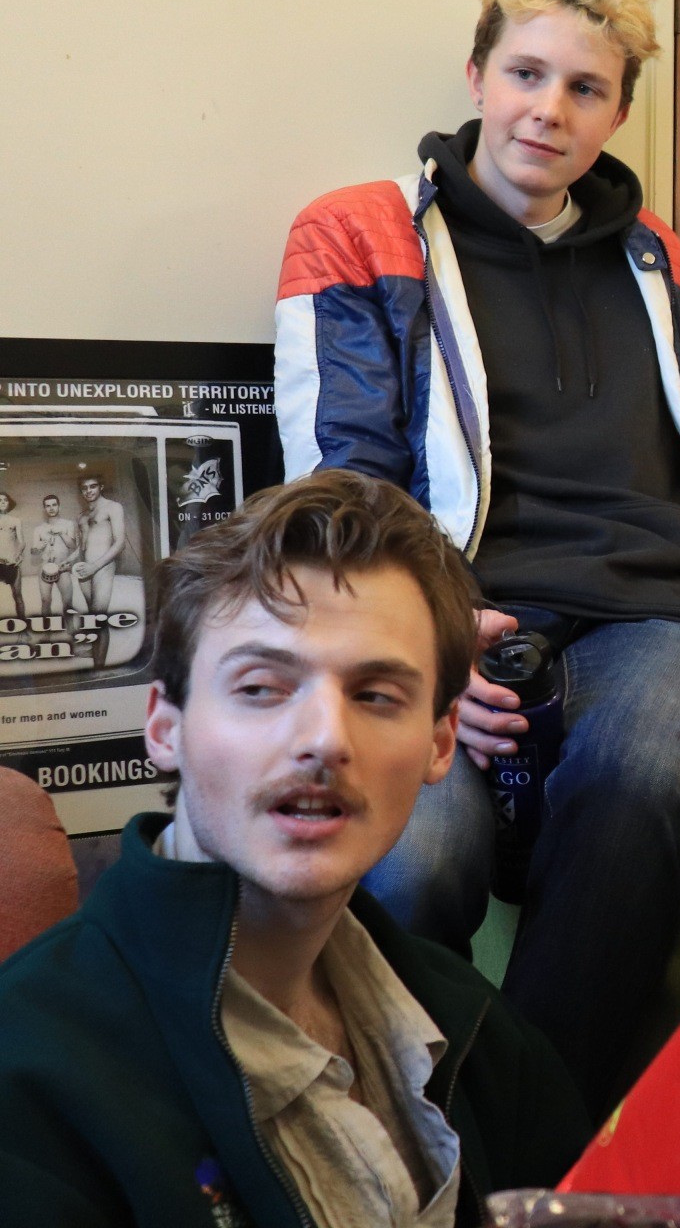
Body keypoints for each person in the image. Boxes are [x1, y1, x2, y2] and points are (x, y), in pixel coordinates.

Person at [274, 0, 680, 1109]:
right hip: (437, 604)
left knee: (636, 776)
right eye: (526, 73)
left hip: (647, 608)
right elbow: (336, 488)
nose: (548, 111)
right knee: (422, 855)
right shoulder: (360, 232)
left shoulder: (657, 257)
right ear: (475, 75)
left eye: (585, 88)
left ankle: (528, 1136)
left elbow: (678, 455)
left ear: (616, 111)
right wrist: (436, 632)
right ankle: (385, 1115)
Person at [0, 470, 589, 1226]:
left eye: (377, 695)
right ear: (165, 727)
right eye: (261, 688)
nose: (324, 740)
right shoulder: (28, 1080)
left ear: (440, 742)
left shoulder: (480, 1037)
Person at [73, 471, 127, 615]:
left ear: (101, 487)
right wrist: (68, 561)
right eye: (84, 488)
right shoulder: (81, 516)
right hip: (84, 568)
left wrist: (94, 566)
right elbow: (81, 546)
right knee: (93, 619)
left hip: (102, 567)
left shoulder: (113, 507)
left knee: (99, 616)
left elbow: (120, 543)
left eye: (93, 486)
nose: (88, 491)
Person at [28, 493, 78, 615]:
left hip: (63, 568)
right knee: (45, 601)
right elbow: (33, 552)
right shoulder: (39, 529)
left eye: (54, 505)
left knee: (67, 602)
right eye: (48, 506)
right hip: (45, 568)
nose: (51, 508)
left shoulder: (68, 524)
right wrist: (38, 548)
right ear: (44, 509)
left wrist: (61, 533)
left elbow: (73, 546)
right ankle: (46, 633)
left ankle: (71, 632)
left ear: (59, 507)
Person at [0, 490, 23, 617]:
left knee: (18, 596)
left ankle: (24, 630)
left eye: (5, 500)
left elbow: (22, 542)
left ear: (9, 503)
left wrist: (18, 554)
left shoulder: (15, 520)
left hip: (11, 563)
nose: (2, 502)